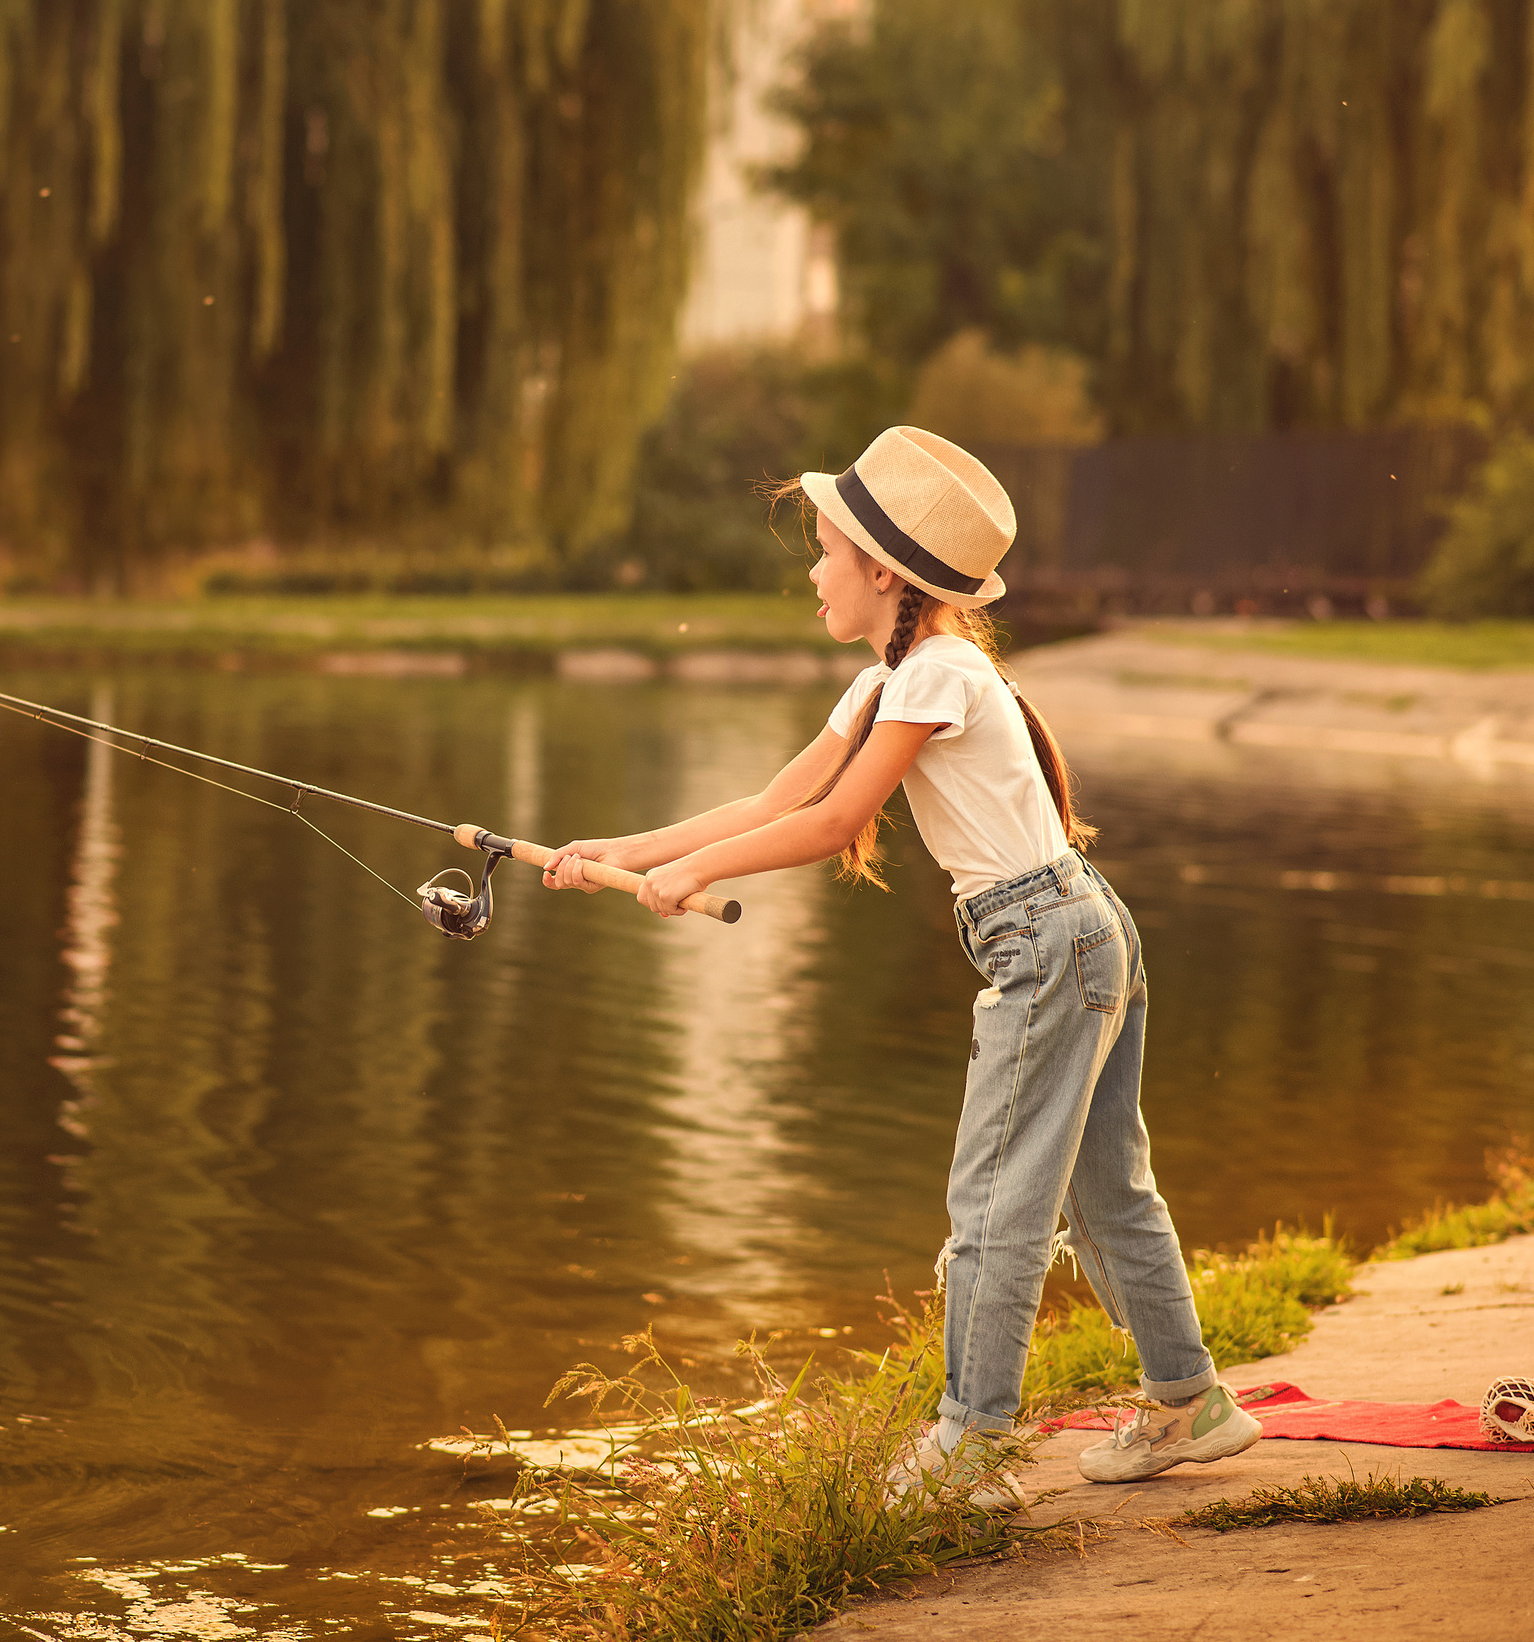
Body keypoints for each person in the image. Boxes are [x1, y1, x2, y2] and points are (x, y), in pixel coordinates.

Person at [540, 426, 1261, 1510]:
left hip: (1048, 943)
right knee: (1104, 1189)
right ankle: (1192, 1405)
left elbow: (835, 824)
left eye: (824, 551)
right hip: (1073, 930)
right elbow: (771, 801)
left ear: (882, 571)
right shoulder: (892, 675)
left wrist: (686, 875)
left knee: (994, 1202)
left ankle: (970, 1444)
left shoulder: (940, 674)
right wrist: (625, 852)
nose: (813, 573)